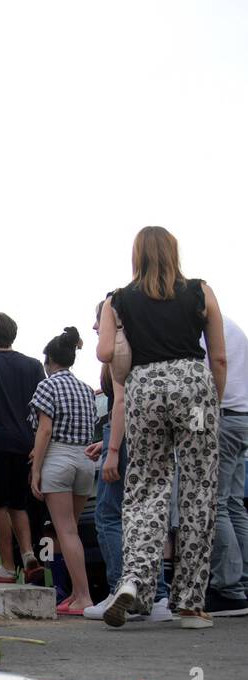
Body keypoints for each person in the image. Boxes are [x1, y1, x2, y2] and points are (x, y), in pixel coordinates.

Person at [96, 226, 228, 629]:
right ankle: (189, 603)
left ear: (136, 256)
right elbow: (219, 358)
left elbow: (104, 354)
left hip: (144, 389)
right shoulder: (201, 292)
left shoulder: (116, 300)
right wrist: (212, 404)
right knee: (198, 491)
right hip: (194, 388)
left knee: (145, 489)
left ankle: (133, 581)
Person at [84, 300, 171, 623]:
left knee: (109, 515)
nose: (95, 328)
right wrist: (104, 442)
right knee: (146, 517)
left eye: (98, 321)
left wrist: (114, 449)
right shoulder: (148, 345)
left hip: (125, 437)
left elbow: (121, 401)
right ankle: (158, 596)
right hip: (149, 434)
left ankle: (120, 588)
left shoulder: (119, 348)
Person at [28, 328, 98, 615]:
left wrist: (36, 470)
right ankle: (76, 592)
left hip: (58, 457)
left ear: (49, 360)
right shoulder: (84, 388)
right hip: (84, 460)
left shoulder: (47, 386)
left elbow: (45, 430)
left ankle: (83, 596)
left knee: (64, 531)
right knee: (72, 531)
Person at [0, 313, 46, 584]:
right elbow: (43, 406)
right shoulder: (32, 366)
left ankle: (7, 565)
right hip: (26, 444)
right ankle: (28, 553)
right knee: (19, 504)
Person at [204, 314, 248, 615]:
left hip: (223, 415)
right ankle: (242, 583)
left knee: (216, 504)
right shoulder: (233, 326)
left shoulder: (207, 328)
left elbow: (213, 365)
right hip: (242, 416)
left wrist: (210, 413)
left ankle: (229, 590)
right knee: (234, 505)